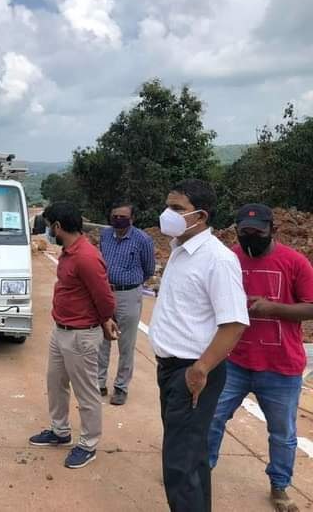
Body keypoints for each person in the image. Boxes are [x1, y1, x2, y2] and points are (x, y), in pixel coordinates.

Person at [148, 179, 249, 511]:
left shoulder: (217, 260)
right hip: (172, 369)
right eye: (168, 206)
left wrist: (200, 369)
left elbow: (234, 322)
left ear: (201, 216)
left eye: (177, 209)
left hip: (192, 372)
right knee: (191, 458)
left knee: (179, 464)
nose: (168, 214)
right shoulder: (179, 250)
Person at [208, 204, 313, 512]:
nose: (250, 238)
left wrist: (273, 308)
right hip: (235, 361)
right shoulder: (230, 259)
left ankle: (279, 487)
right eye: (244, 233)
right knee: (212, 419)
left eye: (258, 233)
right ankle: (200, 472)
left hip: (281, 368)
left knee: (282, 434)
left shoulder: (295, 263)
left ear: (273, 231)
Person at [29, 202, 119, 469]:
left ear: (58, 226)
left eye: (48, 226)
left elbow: (104, 297)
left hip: (81, 335)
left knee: (86, 392)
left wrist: (105, 320)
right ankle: (60, 431)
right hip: (62, 330)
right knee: (55, 382)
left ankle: (88, 444)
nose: (47, 231)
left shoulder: (86, 257)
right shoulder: (69, 252)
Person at [98, 200, 155, 405]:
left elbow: (149, 269)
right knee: (102, 339)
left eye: (123, 216)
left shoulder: (143, 240)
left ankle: (121, 387)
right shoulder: (105, 235)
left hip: (128, 294)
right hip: (105, 292)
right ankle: (99, 383)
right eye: (115, 216)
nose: (118, 219)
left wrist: (131, 281)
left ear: (132, 218)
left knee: (126, 343)